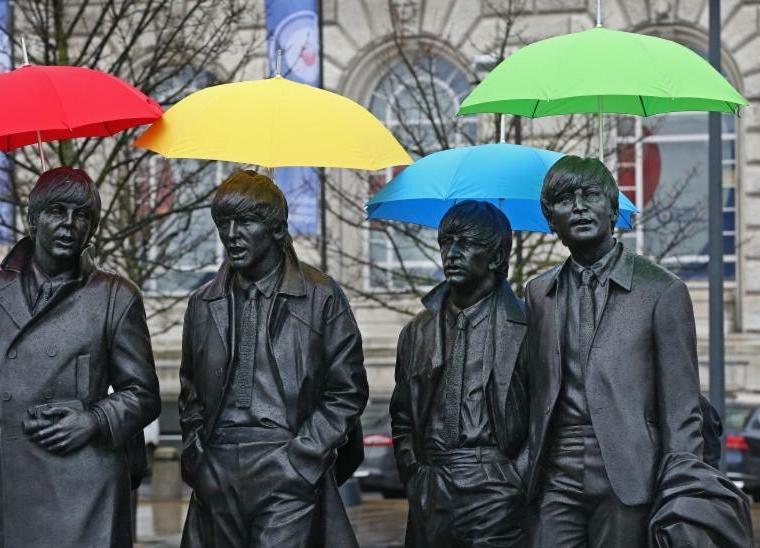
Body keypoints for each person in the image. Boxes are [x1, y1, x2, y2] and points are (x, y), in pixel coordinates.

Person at [0, 167, 161, 547]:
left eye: (82, 216)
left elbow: (143, 393)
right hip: (6, 484)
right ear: (32, 221)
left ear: (91, 228)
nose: (69, 224)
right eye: (56, 212)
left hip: (86, 489)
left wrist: (94, 420)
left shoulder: (116, 296)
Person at [178, 170, 368, 548]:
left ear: (277, 229)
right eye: (223, 222)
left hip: (287, 460)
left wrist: (302, 457)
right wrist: (197, 457)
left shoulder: (320, 296)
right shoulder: (202, 303)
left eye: (245, 222)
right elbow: (190, 391)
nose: (231, 234)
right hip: (217, 467)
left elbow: (347, 391)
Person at [524, 156, 703, 547]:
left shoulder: (661, 291)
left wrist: (683, 489)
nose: (580, 207)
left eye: (591, 195)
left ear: (614, 208)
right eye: (565, 200)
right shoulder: (539, 294)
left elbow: (682, 408)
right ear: (551, 220)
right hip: (555, 470)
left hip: (631, 470)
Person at [390, 200, 528, 547]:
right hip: (431, 486)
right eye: (445, 243)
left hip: (495, 484)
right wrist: (413, 472)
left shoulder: (528, 326)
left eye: (465, 244)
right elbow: (402, 413)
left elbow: (547, 415)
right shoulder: (417, 331)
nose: (451, 253)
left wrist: (516, 480)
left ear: (496, 258)